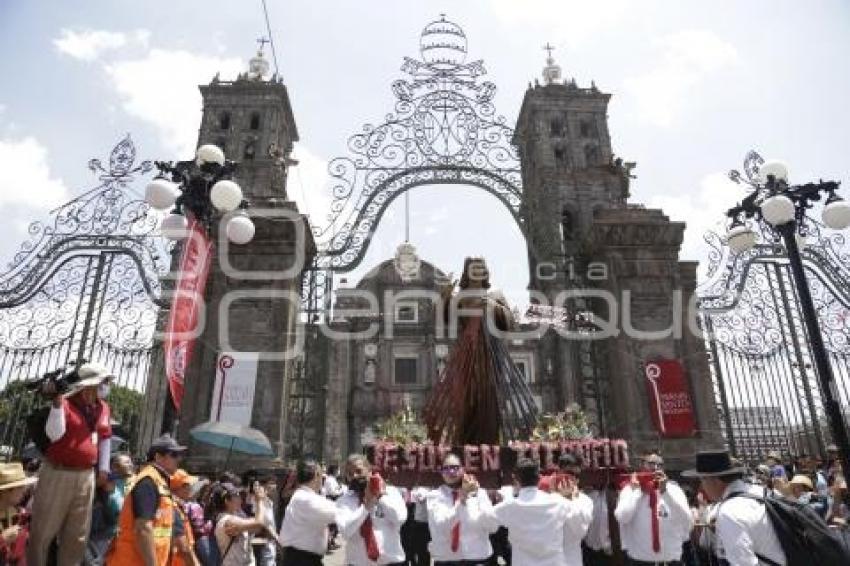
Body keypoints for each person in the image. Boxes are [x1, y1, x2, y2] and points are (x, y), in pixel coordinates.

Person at [423, 257, 538, 445]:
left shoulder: (496, 295)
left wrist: (493, 307)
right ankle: (464, 444)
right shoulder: (459, 298)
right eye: (473, 268)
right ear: (466, 273)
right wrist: (444, 297)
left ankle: (489, 445)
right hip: (466, 357)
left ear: (486, 272)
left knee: (489, 401)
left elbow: (510, 323)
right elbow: (442, 320)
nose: (477, 271)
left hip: (490, 357)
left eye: (481, 267)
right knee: (466, 402)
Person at [28, 362, 114, 566]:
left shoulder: (103, 408)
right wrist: (57, 403)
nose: (107, 385)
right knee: (43, 531)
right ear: (89, 385)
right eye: (104, 381)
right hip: (58, 472)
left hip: (86, 475)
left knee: (77, 535)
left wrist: (103, 468)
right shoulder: (66, 403)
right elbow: (54, 434)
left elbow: (106, 437)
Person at [105, 434, 197, 566]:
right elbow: (143, 528)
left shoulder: (160, 484)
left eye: (179, 455)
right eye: (174, 455)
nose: (179, 459)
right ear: (158, 457)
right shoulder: (148, 482)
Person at [683, 450, 785, 566]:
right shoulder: (767, 493)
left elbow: (743, 563)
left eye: (702, 480)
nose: (702, 486)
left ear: (714, 480)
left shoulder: (729, 511)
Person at [491, 458, 588, 566]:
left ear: (515, 478)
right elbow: (581, 528)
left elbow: (485, 522)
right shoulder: (559, 502)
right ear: (539, 477)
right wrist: (570, 499)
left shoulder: (509, 506)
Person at [614, 452, 692, 565]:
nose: (655, 468)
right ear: (642, 466)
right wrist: (637, 492)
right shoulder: (630, 490)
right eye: (651, 464)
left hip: (670, 561)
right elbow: (622, 517)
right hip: (640, 562)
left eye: (659, 465)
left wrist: (666, 493)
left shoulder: (674, 490)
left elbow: (687, 523)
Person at [424, 453, 496, 566]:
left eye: (455, 467)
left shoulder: (480, 493)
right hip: (447, 561)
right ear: (441, 472)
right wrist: (462, 500)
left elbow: (493, 527)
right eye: (446, 469)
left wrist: (477, 496)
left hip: (477, 559)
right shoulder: (435, 496)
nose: (451, 472)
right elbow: (442, 525)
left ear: (463, 470)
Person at [336, 454, 407, 565]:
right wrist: (366, 507)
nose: (355, 476)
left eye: (358, 471)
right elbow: (345, 531)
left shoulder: (390, 492)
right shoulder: (343, 501)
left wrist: (379, 496)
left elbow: (400, 518)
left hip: (391, 562)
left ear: (369, 471)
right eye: (350, 474)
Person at [279, 460, 338, 566]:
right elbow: (337, 513)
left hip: (303, 558)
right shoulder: (305, 498)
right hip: (302, 559)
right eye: (322, 476)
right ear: (316, 475)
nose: (323, 480)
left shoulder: (304, 496)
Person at [213, 483, 271, 566]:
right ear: (227, 501)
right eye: (236, 495)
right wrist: (259, 501)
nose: (240, 498)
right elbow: (259, 523)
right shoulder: (228, 521)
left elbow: (258, 528)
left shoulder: (236, 517)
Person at [552, 453, 593, 566]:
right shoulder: (546, 496)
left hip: (570, 560)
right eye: (569, 474)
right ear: (558, 472)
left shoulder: (585, 501)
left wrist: (569, 500)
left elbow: (580, 531)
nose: (573, 478)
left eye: (576, 475)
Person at [0, 462, 37, 566]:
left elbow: (20, 556)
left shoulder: (21, 516)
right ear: (5, 492)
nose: (24, 490)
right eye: (20, 487)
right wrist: (2, 539)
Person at [171, 469, 203, 566]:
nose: (191, 488)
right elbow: (183, 547)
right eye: (188, 485)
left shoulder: (179, 506)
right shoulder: (173, 508)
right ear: (180, 488)